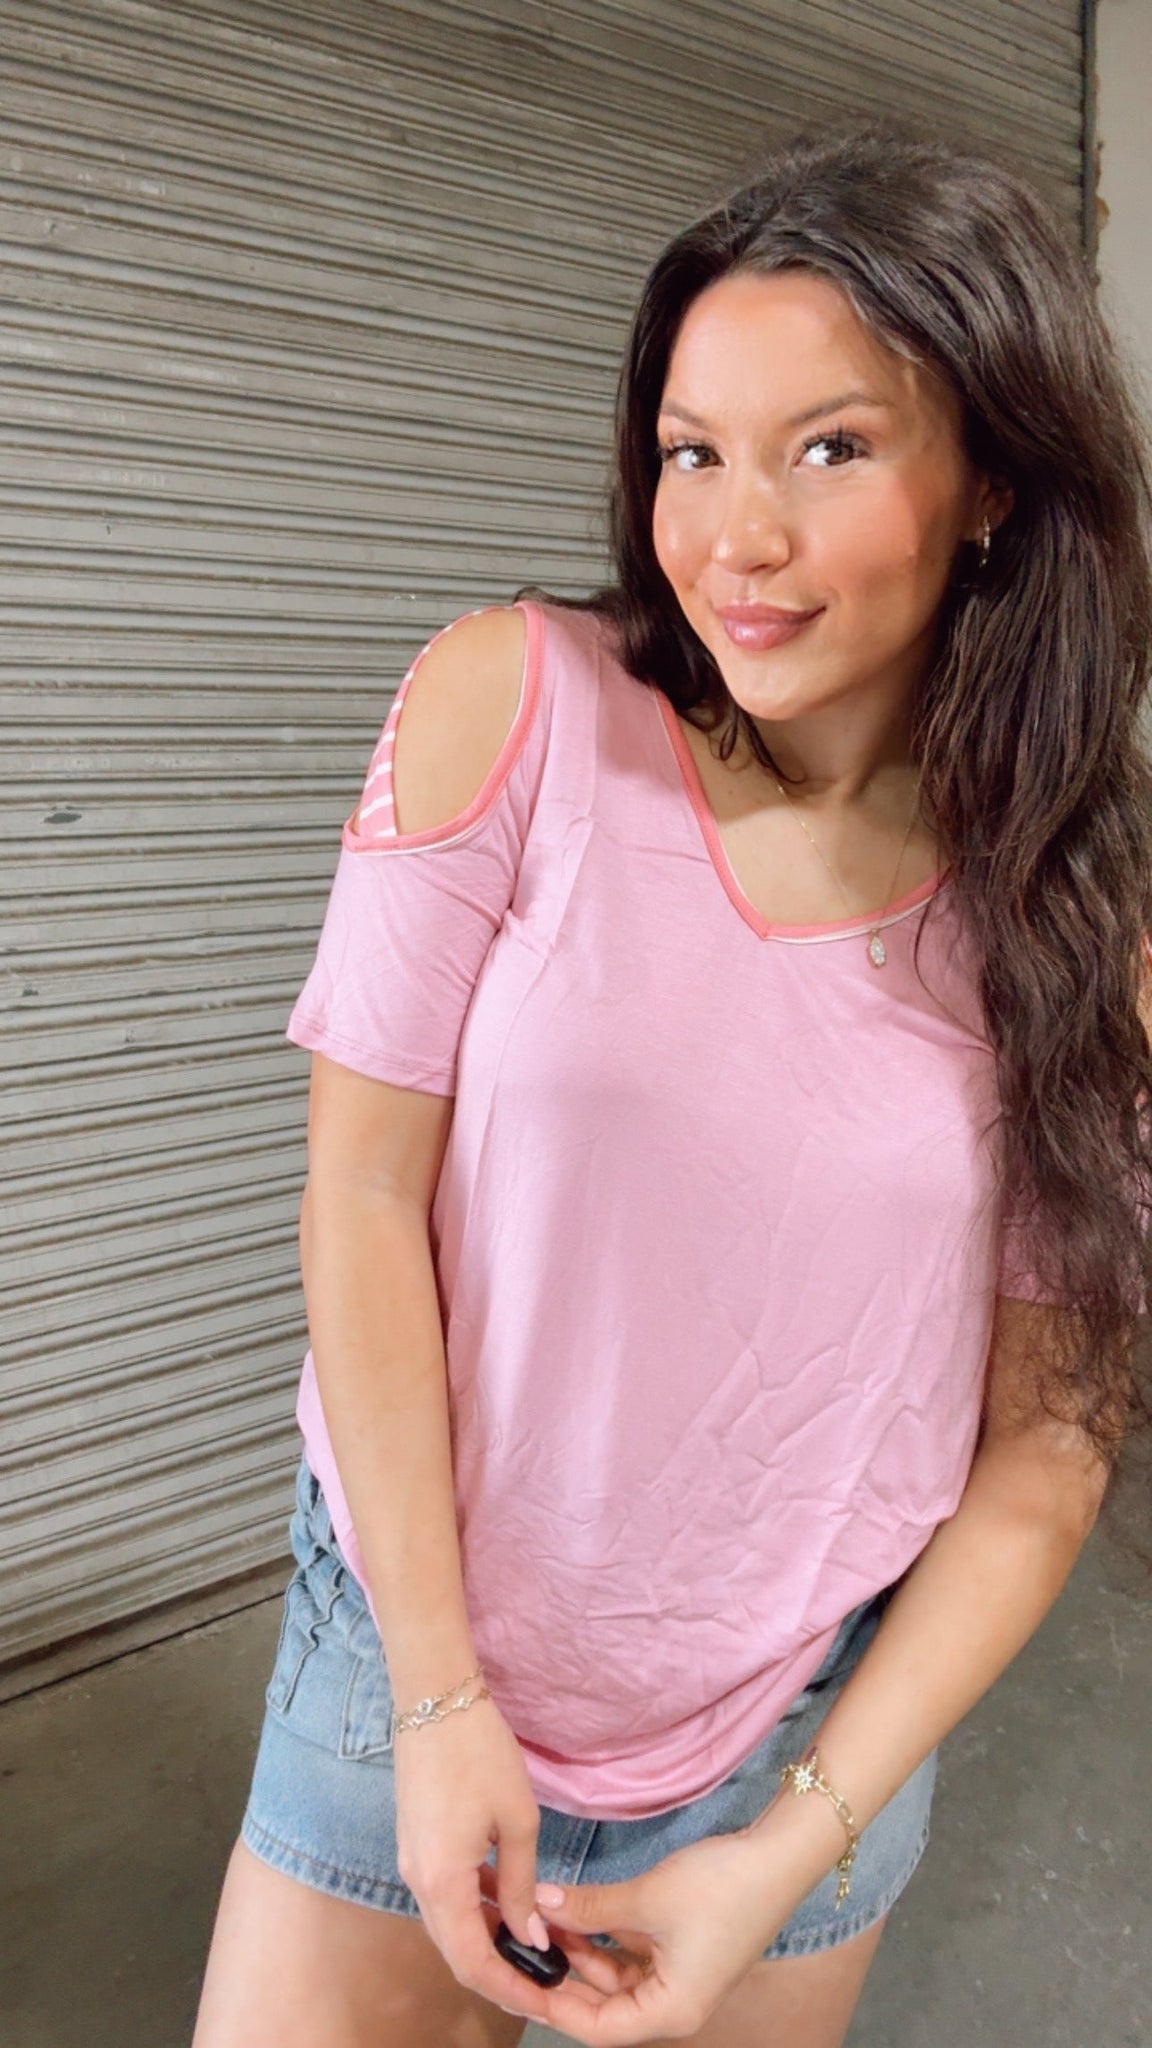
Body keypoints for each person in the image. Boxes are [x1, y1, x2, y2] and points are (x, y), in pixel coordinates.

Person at [192, 115, 1152, 2048]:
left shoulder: (1080, 920)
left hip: (801, 1736)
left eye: (831, 448)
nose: (733, 538)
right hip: (408, 1661)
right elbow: (362, 1195)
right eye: (693, 452)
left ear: (993, 483)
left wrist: (784, 1851)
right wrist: (439, 1700)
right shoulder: (511, 705)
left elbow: (1048, 1451)